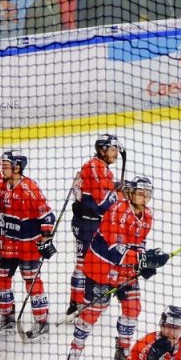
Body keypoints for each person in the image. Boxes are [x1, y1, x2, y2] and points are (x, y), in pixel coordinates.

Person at [66, 175, 168, 360]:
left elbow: (138, 245)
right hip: (101, 269)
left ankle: (122, 348)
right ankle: (76, 348)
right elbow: (114, 249)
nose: (144, 197)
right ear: (130, 194)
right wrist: (141, 260)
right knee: (93, 312)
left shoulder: (147, 215)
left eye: (148, 194)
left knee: (133, 308)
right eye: (140, 193)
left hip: (125, 271)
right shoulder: (118, 212)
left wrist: (145, 263)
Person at [0, 150, 56, 341]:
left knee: (32, 282)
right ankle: (7, 317)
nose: (2, 169)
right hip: (6, 243)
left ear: (17, 167)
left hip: (27, 245)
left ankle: (42, 321)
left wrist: (45, 238)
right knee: (0, 278)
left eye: (6, 165)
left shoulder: (30, 188)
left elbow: (47, 215)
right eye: (2, 165)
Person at [68, 134, 122, 314]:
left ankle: (76, 302)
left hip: (85, 222)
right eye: (113, 149)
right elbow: (104, 205)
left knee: (83, 263)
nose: (116, 153)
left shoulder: (97, 166)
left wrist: (115, 187)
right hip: (88, 225)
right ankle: (80, 304)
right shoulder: (96, 167)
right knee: (86, 265)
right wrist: (120, 194)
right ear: (102, 150)